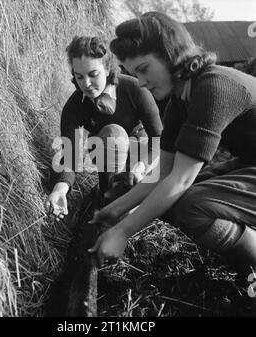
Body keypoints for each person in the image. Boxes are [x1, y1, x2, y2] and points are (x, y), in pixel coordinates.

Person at [88, 12, 256, 275]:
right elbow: (162, 174)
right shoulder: (181, 100)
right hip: (250, 161)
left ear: (170, 53)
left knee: (192, 204)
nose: (141, 82)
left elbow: (179, 180)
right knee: (171, 202)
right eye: (133, 74)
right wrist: (112, 212)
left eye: (143, 69)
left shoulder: (215, 86)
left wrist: (122, 232)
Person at [45, 35, 163, 220]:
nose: (86, 84)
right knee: (113, 134)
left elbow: (159, 137)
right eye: (79, 77)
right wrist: (60, 189)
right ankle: (109, 199)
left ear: (108, 69)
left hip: (142, 152)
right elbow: (71, 155)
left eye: (93, 74)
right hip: (107, 150)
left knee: (137, 205)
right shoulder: (74, 106)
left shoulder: (134, 89)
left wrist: (141, 166)